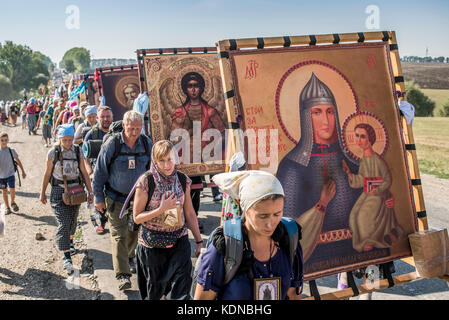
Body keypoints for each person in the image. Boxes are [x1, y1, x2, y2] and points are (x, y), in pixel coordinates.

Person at [276, 73, 393, 275]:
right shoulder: (293, 165)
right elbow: (287, 227)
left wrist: (384, 196)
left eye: (330, 112)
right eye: (317, 112)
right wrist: (321, 205)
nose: (326, 120)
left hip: (356, 249)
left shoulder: (353, 158)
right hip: (316, 255)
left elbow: (370, 193)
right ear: (305, 117)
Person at [194, 170, 303, 300]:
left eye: (277, 214)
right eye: (263, 216)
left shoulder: (289, 238)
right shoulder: (226, 245)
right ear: (245, 209)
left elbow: (293, 294)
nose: (270, 224)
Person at [133, 140, 203, 300]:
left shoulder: (182, 179)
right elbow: (137, 218)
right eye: (162, 160)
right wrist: (160, 209)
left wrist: (199, 242)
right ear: (155, 161)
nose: (167, 165)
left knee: (182, 288)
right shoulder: (146, 181)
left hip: (179, 240)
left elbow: (190, 213)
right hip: (152, 246)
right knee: (156, 293)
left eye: (170, 159)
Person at [93, 110, 152, 290]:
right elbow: (100, 172)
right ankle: (123, 275)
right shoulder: (113, 144)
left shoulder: (146, 143)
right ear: (124, 126)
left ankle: (129, 257)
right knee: (118, 235)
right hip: (115, 197)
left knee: (134, 231)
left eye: (138, 128)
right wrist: (98, 198)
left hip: (138, 200)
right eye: (131, 128)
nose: (134, 132)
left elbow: (152, 170)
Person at [39, 124, 94, 275]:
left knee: (72, 220)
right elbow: (47, 173)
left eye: (70, 140)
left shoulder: (78, 151)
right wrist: (43, 192)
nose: (68, 143)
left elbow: (83, 170)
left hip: (75, 191)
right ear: (60, 139)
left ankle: (70, 241)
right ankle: (67, 257)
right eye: (65, 140)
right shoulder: (53, 153)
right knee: (63, 223)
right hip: (58, 191)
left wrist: (90, 191)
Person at [343, 123, 404, 252]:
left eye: (362, 136)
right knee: (354, 214)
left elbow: (387, 180)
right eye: (357, 136)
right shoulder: (364, 160)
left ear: (370, 139)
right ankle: (363, 240)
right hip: (367, 193)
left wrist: (377, 190)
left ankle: (369, 241)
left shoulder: (378, 160)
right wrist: (349, 174)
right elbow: (362, 179)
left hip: (378, 195)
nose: (359, 140)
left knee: (363, 215)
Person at [0, 132, 26, 215]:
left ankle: (12, 202)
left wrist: (23, 171)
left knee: (12, 190)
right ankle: (7, 207)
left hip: (10, 174)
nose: (4, 142)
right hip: (1, 176)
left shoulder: (11, 151)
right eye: (2, 140)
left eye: (5, 140)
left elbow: (18, 161)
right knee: (4, 191)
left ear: (8, 140)